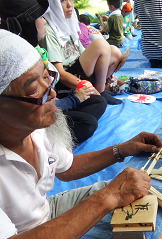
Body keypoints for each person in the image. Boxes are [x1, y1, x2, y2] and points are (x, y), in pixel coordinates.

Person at [0, 29, 162, 239]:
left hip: (47, 212)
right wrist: (108, 197)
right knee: (111, 194)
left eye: (48, 77)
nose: (52, 93)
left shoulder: (34, 128)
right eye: (35, 89)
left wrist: (122, 149)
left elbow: (68, 168)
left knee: (137, 191)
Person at [0, 0, 108, 144]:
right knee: (88, 123)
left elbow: (50, 95)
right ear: (26, 25)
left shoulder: (36, 50)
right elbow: (36, 105)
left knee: (98, 101)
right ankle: (52, 140)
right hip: (38, 115)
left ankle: (61, 126)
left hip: (53, 105)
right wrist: (74, 100)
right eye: (40, 18)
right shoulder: (19, 66)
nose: (45, 21)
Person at [39, 0, 124, 105]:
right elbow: (59, 73)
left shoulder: (66, 24)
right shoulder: (48, 30)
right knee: (100, 44)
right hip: (67, 79)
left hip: (80, 70)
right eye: (62, 1)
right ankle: (100, 92)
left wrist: (104, 67)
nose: (70, 5)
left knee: (115, 52)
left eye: (70, 0)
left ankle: (100, 87)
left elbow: (82, 53)